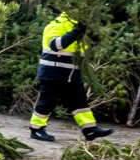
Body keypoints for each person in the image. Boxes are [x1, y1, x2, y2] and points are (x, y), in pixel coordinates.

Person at [29, 12, 115, 142]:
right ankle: (36, 130)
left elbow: (84, 50)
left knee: (79, 102)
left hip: (72, 74)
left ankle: (90, 130)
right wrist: (77, 31)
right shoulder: (57, 24)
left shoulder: (82, 26)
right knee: (47, 102)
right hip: (52, 73)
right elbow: (55, 45)